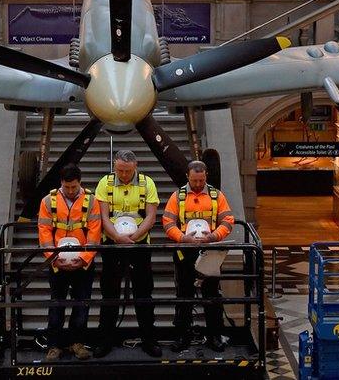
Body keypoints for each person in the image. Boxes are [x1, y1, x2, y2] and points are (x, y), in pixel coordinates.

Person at [93, 150, 162, 358]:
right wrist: (117, 237)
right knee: (109, 294)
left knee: (144, 293)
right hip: (112, 246)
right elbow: (102, 216)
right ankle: (105, 341)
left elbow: (151, 217)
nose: (123, 175)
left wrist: (133, 238)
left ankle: (149, 340)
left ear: (136, 166)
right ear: (115, 166)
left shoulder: (147, 183)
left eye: (127, 171)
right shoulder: (105, 183)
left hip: (139, 246)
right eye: (120, 170)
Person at [161, 160, 234, 353]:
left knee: (212, 296)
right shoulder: (177, 197)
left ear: (206, 176)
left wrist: (214, 236)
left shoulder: (216, 196)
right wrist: (183, 238)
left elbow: (227, 220)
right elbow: (168, 222)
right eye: (195, 181)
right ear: (188, 177)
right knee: (184, 296)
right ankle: (182, 336)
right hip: (185, 251)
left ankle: (215, 336)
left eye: (201, 180)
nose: (198, 184)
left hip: (209, 251)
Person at [37, 164, 101, 361]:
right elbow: (44, 232)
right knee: (56, 304)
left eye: (74, 187)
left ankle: (77, 344)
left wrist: (84, 259)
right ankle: (54, 346)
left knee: (82, 304)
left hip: (83, 264)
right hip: (58, 264)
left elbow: (94, 232)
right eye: (67, 187)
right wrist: (54, 260)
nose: (71, 191)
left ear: (79, 182)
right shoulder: (48, 201)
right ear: (61, 183)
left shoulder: (91, 201)